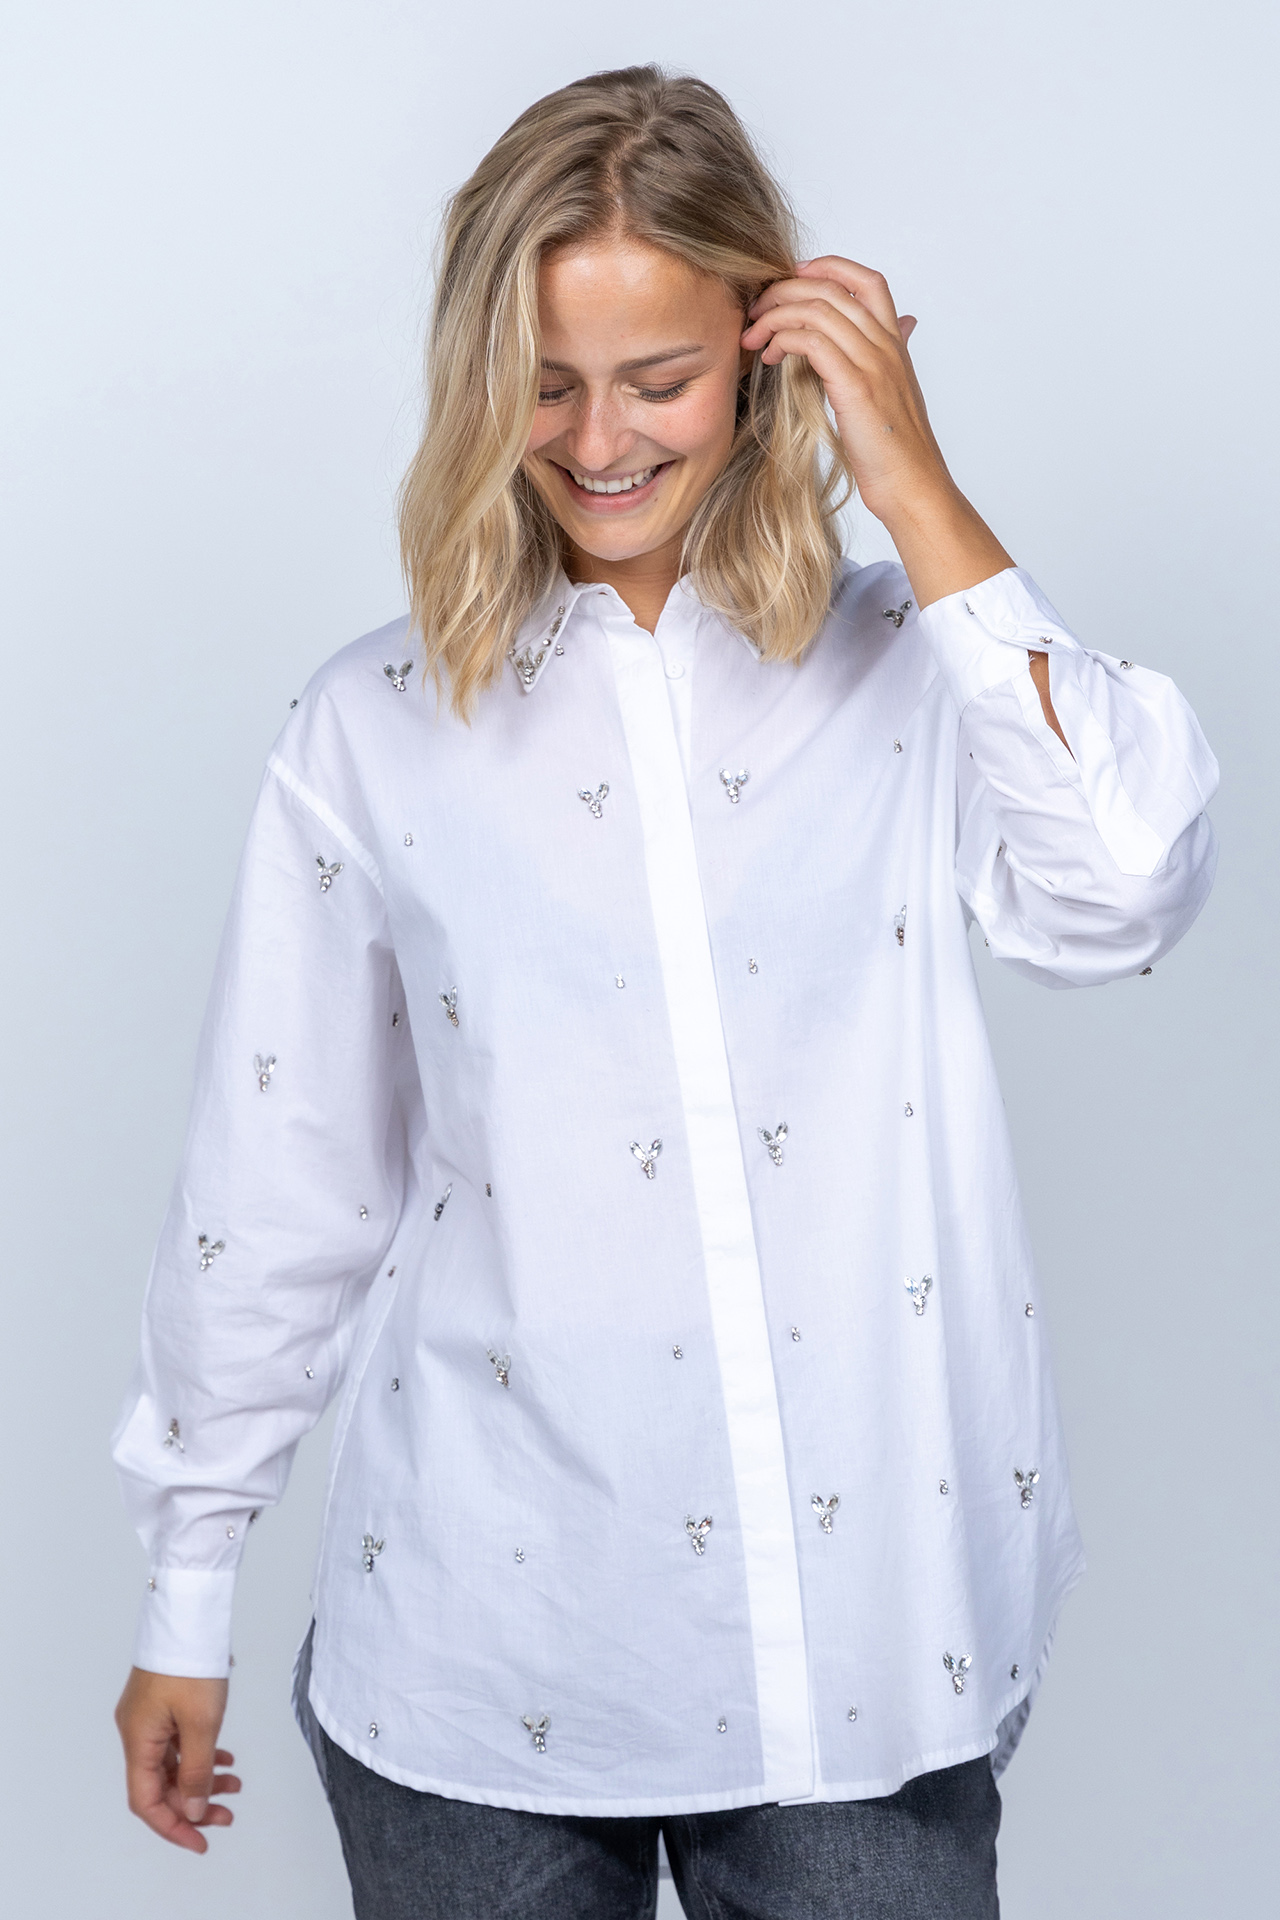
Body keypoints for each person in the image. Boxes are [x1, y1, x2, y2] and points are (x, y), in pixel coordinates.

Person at [112, 64, 1218, 1920]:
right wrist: (188, 1590)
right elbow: (277, 1182)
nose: (600, 438)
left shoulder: (912, 671)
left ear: (765, 357)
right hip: (477, 1650)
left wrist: (911, 479)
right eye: (546, 382)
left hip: (859, 1669)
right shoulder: (370, 728)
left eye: (659, 377)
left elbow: (1124, 888)